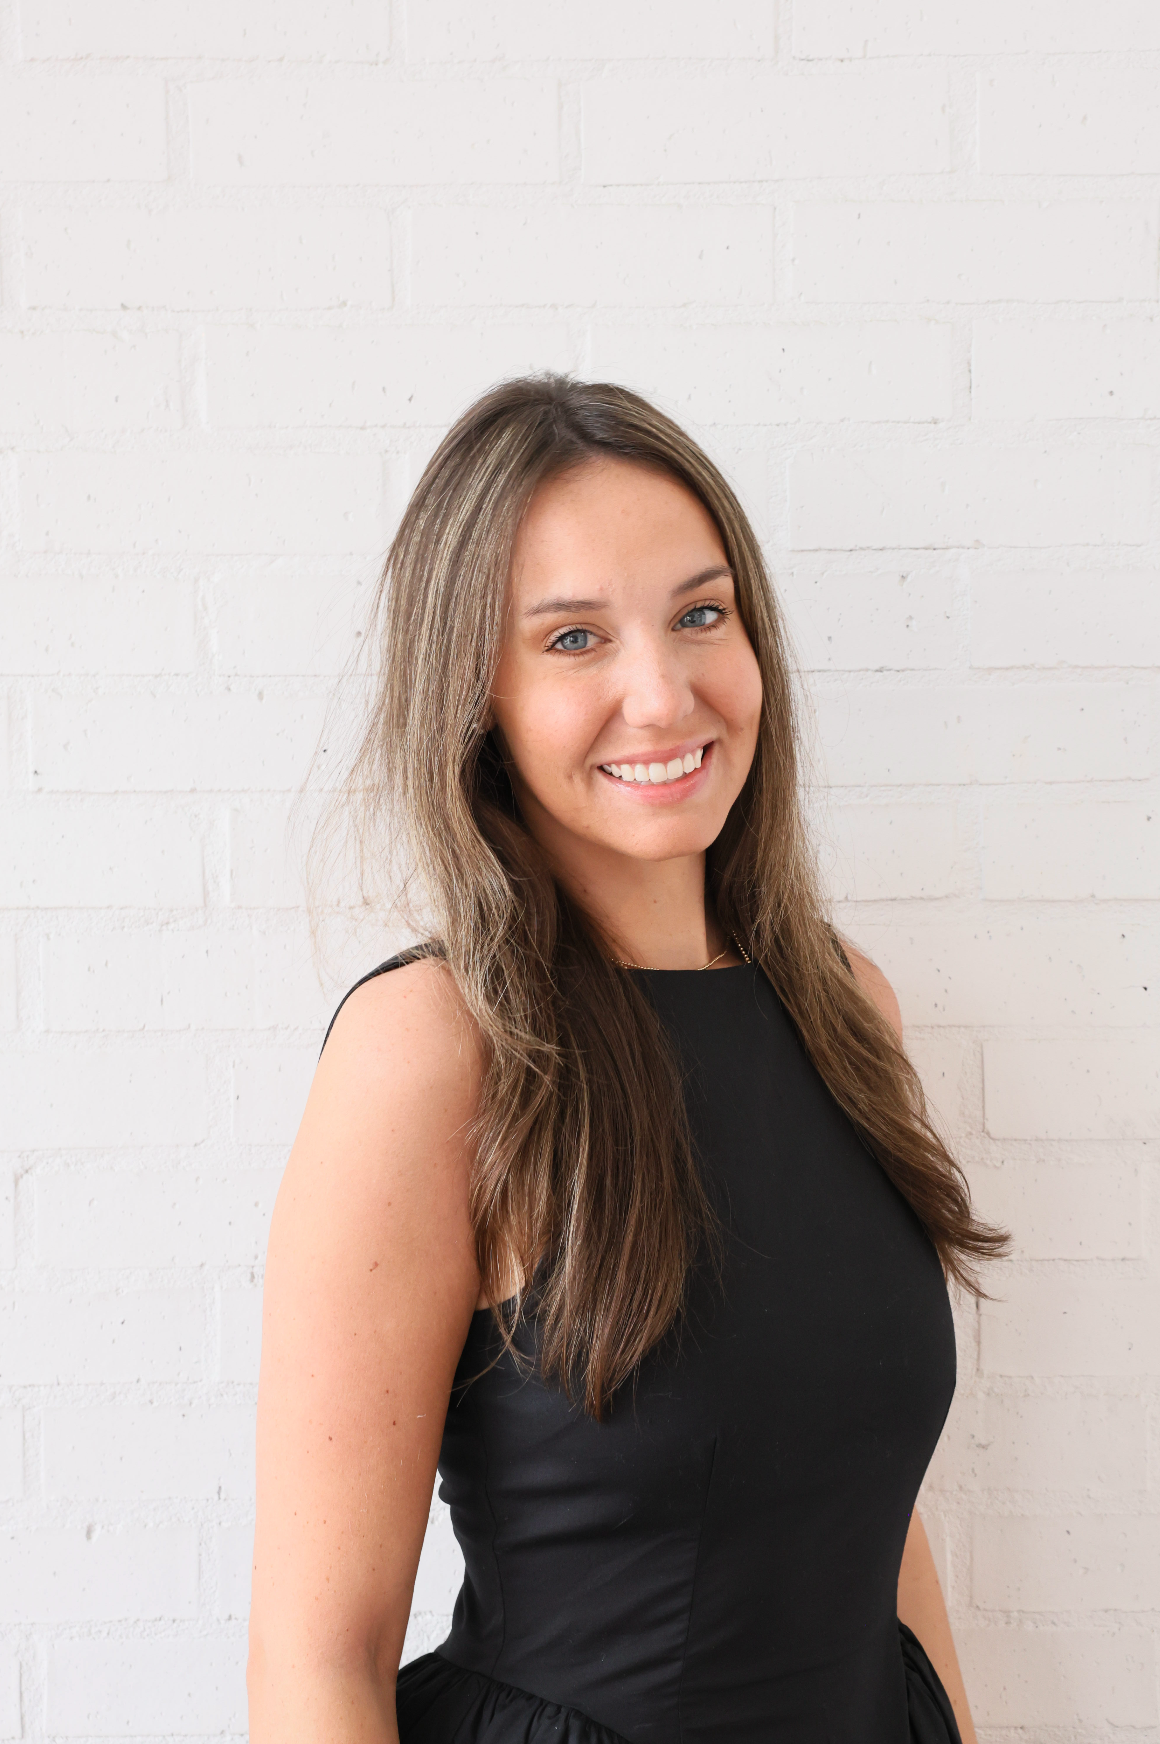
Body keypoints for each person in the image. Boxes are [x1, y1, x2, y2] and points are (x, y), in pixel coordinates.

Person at [246, 376, 1005, 1743]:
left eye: (700, 615)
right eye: (576, 638)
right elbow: (320, 1658)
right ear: (474, 689)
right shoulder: (434, 1052)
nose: (661, 693)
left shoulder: (847, 1008)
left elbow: (875, 1523)